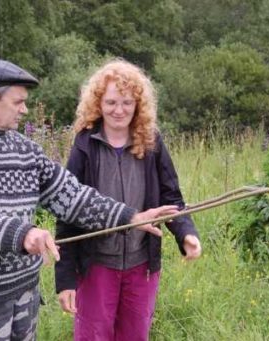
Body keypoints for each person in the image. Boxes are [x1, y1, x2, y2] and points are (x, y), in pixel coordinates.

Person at [0, 59, 179, 341]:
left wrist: (130, 217)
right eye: (18, 102)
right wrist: (23, 234)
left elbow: (72, 196)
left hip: (24, 295)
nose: (25, 109)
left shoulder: (25, 150)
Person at [55, 59, 202, 341]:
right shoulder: (85, 145)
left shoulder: (151, 142)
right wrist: (65, 279)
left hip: (141, 265)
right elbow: (67, 210)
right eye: (110, 102)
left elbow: (172, 197)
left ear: (138, 104)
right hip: (96, 265)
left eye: (126, 102)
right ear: (98, 103)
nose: (118, 110)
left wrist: (186, 234)